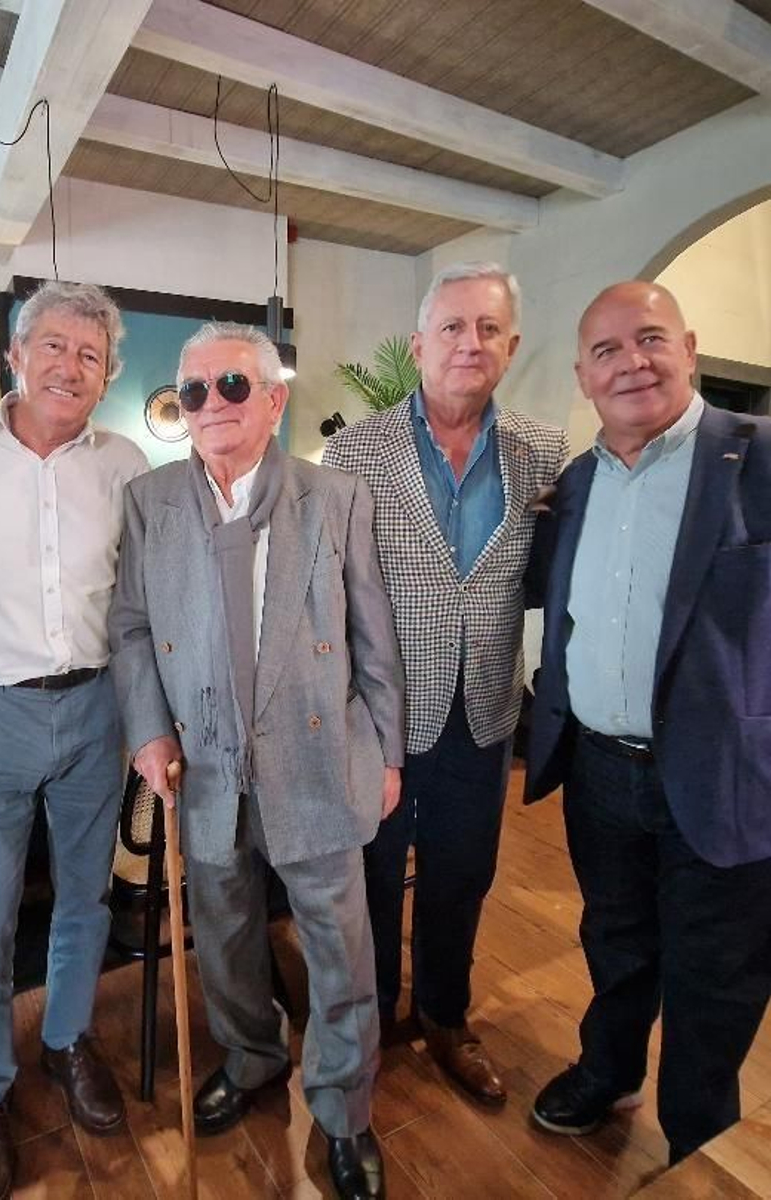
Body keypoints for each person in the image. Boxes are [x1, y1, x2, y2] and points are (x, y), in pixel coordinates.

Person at [523, 281, 771, 1162]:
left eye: (648, 340)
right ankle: (608, 1069)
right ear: (583, 377)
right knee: (615, 940)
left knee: (717, 975)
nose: (631, 364)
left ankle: (700, 1140)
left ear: (688, 347)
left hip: (734, 771)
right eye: (606, 352)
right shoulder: (575, 483)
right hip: (601, 768)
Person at [109, 322, 405, 1200]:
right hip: (201, 766)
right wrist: (147, 728)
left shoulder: (336, 497)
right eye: (192, 391)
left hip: (317, 762)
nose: (210, 406)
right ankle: (251, 1058)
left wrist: (385, 753)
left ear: (275, 401)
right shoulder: (150, 501)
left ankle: (346, 1113)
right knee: (228, 934)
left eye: (232, 386)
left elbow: (372, 638)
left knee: (339, 947)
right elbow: (130, 627)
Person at [0, 281, 148, 1200]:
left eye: (89, 355)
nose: (69, 367)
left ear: (107, 373)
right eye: (53, 347)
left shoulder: (124, 463)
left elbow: (142, 597)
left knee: (85, 899)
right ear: (15, 355)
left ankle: (68, 1039)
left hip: (95, 710)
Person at [322, 263, 567, 1102]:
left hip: (487, 709)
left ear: (512, 347)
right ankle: (374, 1014)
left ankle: (445, 1015)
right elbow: (332, 594)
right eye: (454, 327)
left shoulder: (546, 453)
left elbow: (549, 576)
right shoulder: (355, 450)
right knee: (377, 874)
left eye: (488, 329)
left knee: (465, 873)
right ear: (420, 343)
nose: (471, 343)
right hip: (383, 713)